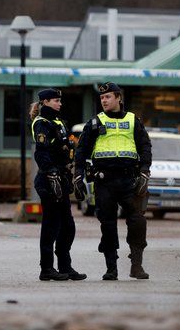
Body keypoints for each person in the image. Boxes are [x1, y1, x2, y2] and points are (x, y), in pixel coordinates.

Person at [73, 82, 152, 280]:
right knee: (107, 225)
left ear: (118, 98)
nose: (104, 101)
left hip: (130, 180)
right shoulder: (94, 123)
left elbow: (145, 148)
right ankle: (111, 268)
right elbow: (81, 151)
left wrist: (144, 172)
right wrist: (78, 175)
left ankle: (136, 265)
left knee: (137, 221)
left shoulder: (134, 121)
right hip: (104, 181)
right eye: (101, 98)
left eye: (108, 97)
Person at [30, 88, 87, 282]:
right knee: (51, 226)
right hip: (48, 180)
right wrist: (52, 174)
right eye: (56, 100)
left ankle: (64, 266)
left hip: (61, 178)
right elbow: (41, 152)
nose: (59, 104)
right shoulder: (41, 123)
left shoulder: (58, 122)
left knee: (68, 226)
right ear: (45, 102)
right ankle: (46, 268)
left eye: (59, 101)